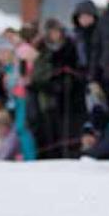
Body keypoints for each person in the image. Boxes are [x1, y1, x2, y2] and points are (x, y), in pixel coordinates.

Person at [31, 19, 83, 158]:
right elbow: (38, 75)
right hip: (49, 94)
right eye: (51, 32)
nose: (54, 35)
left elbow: (78, 68)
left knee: (68, 126)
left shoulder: (71, 46)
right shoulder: (42, 49)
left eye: (56, 31)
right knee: (50, 129)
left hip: (70, 94)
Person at [71, 0, 100, 78]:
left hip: (98, 73)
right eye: (81, 16)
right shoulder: (75, 36)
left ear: (93, 17)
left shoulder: (100, 34)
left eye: (87, 16)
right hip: (79, 74)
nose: (84, 19)